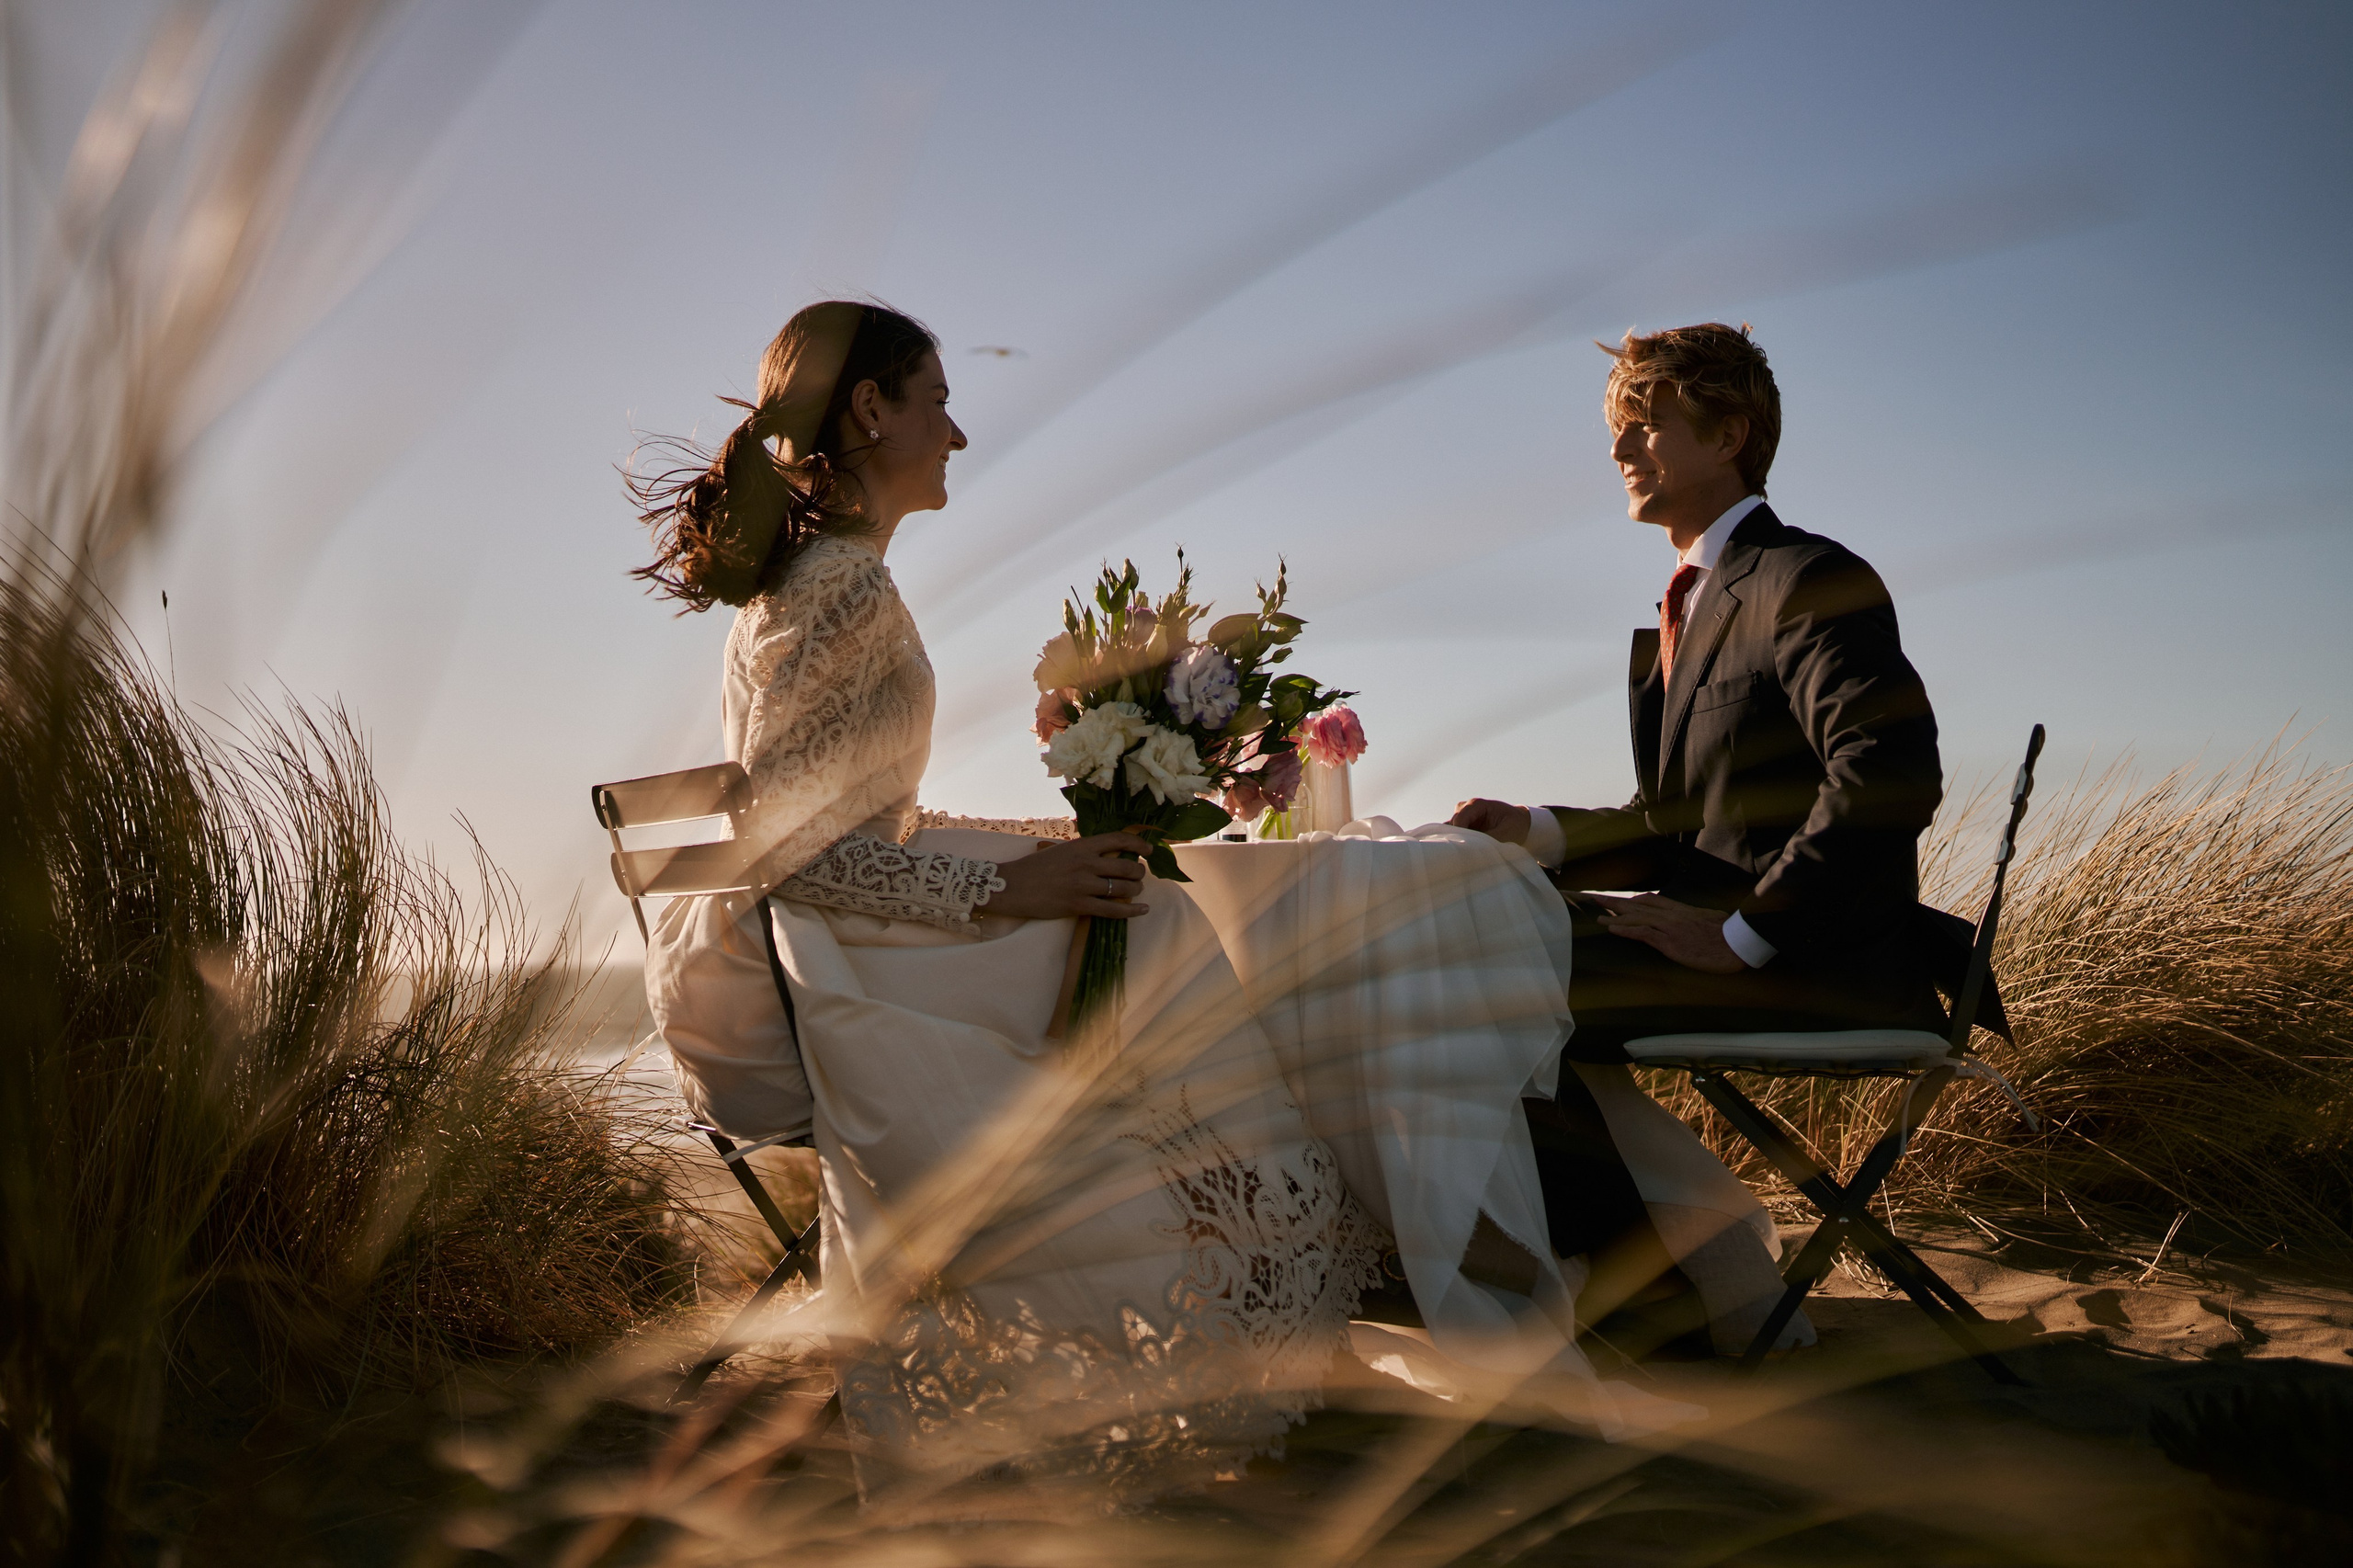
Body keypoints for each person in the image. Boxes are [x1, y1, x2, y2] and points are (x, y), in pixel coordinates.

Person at [627, 301, 1689, 1500]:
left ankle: (1387, 1267)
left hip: (865, 931)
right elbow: (798, 852)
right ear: (871, 411)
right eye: (935, 401)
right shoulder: (837, 588)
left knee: (1152, 903)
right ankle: (1400, 1265)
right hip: (863, 965)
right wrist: (1008, 883)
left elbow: (862, 822)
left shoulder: (826, 580)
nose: (958, 432)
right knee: (1176, 935)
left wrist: (1046, 842)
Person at [1453, 322, 1953, 1338]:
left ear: (1729, 432)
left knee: (1475, 982)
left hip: (1817, 958)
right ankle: (1680, 1270)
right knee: (1456, 949)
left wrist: (1741, 936)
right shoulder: (1691, 604)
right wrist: (1536, 830)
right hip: (1718, 939)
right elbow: (1677, 826)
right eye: (1616, 428)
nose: (1618, 449)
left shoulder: (1802, 577)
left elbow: (1890, 772)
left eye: (1645, 423)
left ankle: (1645, 1284)